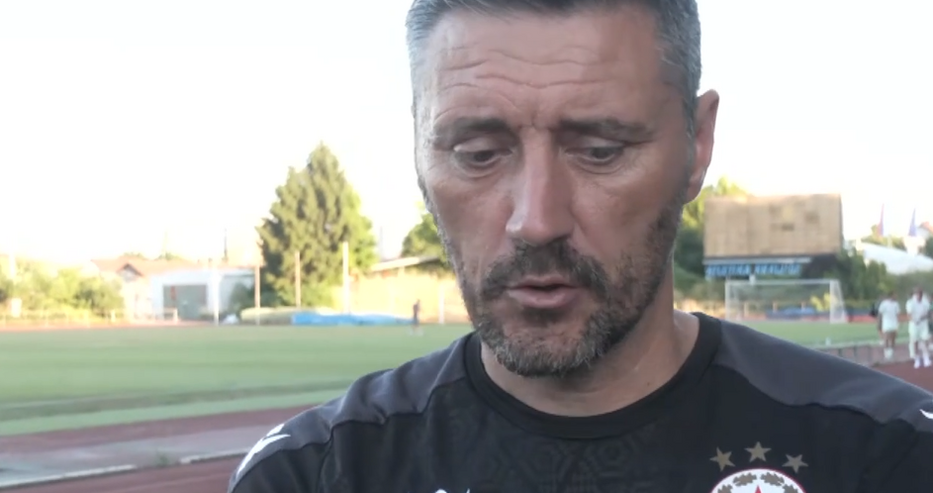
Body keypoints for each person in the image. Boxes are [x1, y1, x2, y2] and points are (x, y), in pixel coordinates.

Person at [229, 1, 933, 492]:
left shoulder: (890, 456)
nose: (536, 220)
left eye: (599, 150)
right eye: (478, 153)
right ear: (419, 146)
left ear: (697, 145)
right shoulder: (314, 474)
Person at [906, 287, 931, 368]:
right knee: (915, 342)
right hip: (914, 325)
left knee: (925, 340)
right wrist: (914, 320)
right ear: (914, 294)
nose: (919, 295)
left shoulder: (925, 301)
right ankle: (917, 359)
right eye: (917, 294)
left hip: (923, 324)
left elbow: (928, 313)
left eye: (920, 294)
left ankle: (926, 358)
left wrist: (922, 317)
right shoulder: (910, 302)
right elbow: (909, 315)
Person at [876, 291, 901, 360]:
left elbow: (897, 314)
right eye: (895, 295)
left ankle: (891, 353)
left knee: (893, 339)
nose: (896, 297)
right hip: (886, 323)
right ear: (891, 295)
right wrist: (879, 322)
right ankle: (886, 354)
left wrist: (898, 323)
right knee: (886, 338)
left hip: (894, 324)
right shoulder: (884, 303)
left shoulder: (896, 304)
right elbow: (880, 313)